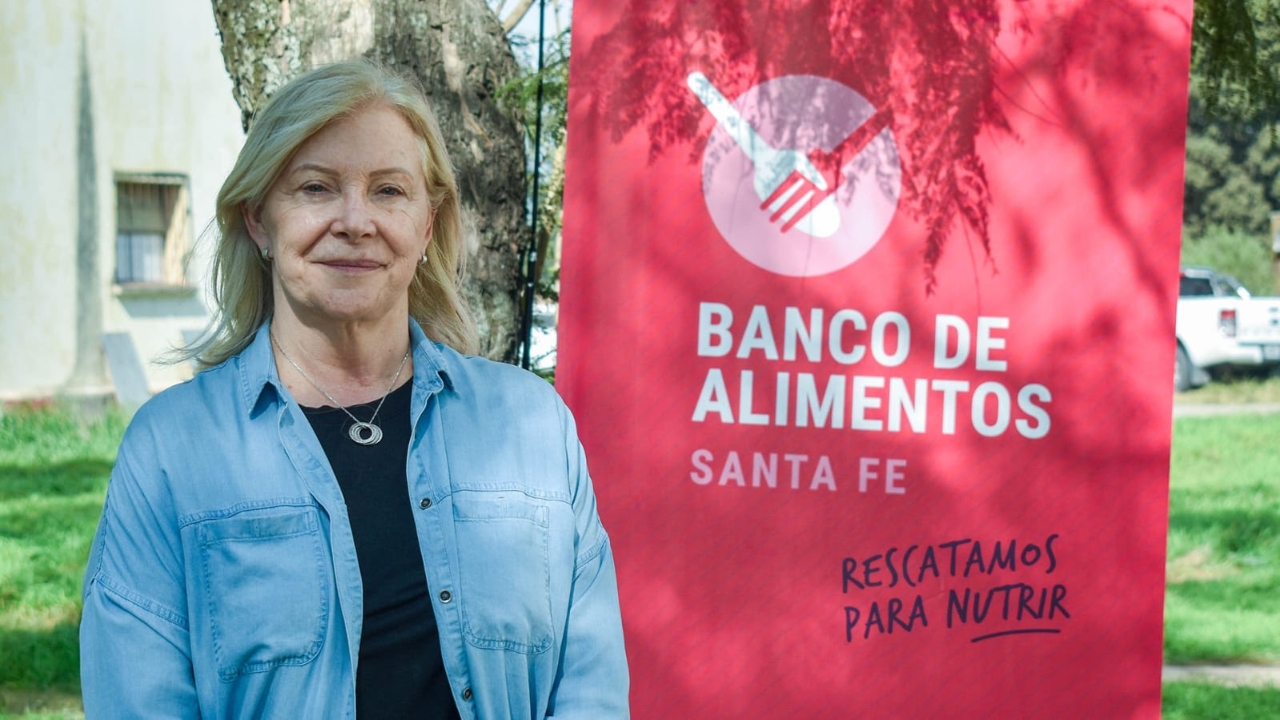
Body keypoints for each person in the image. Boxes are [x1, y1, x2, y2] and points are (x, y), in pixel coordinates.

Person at [80, 60, 629, 719]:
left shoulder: (531, 425)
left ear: (427, 226)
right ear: (258, 219)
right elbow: (139, 698)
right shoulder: (173, 449)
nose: (355, 221)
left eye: (389, 191)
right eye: (316, 188)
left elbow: (590, 685)